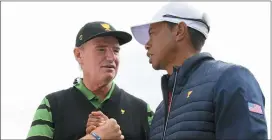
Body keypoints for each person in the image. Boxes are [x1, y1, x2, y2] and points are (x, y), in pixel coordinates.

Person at [130, 2, 268, 140]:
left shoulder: (231, 80)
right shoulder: (160, 112)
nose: (147, 45)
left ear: (179, 31)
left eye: (152, 34)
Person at [27, 21, 154, 140]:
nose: (111, 57)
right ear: (78, 55)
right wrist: (97, 136)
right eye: (101, 49)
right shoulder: (52, 106)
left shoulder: (142, 111)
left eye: (116, 50)